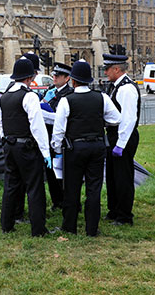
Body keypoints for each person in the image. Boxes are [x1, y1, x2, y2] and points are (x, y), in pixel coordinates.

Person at [51, 61, 121, 236]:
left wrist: (57, 149)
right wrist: (99, 122)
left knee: (71, 188)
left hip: (75, 147)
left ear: (73, 81)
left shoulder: (67, 100)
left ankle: (70, 226)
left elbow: (59, 130)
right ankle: (92, 228)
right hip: (97, 146)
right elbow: (116, 119)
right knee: (94, 188)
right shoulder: (102, 97)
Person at [0, 58, 52, 237]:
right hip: (26, 146)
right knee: (34, 187)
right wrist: (46, 152)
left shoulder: (3, 98)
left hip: (9, 145)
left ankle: (6, 224)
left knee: (11, 185)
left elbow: (0, 124)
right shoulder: (29, 96)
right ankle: (38, 229)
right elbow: (37, 126)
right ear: (29, 78)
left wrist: (5, 142)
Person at [103, 54, 141, 226]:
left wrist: (120, 144)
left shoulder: (126, 89)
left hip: (122, 136)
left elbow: (128, 119)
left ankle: (124, 215)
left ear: (116, 69)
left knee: (123, 177)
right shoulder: (115, 86)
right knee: (112, 175)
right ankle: (115, 210)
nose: (105, 72)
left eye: (107, 69)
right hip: (114, 135)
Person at [42, 62, 74, 212]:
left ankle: (66, 200)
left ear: (67, 78)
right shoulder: (51, 91)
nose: (54, 77)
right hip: (50, 137)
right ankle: (57, 200)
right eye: (53, 75)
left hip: (62, 139)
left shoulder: (69, 94)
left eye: (58, 75)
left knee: (64, 173)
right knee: (51, 173)